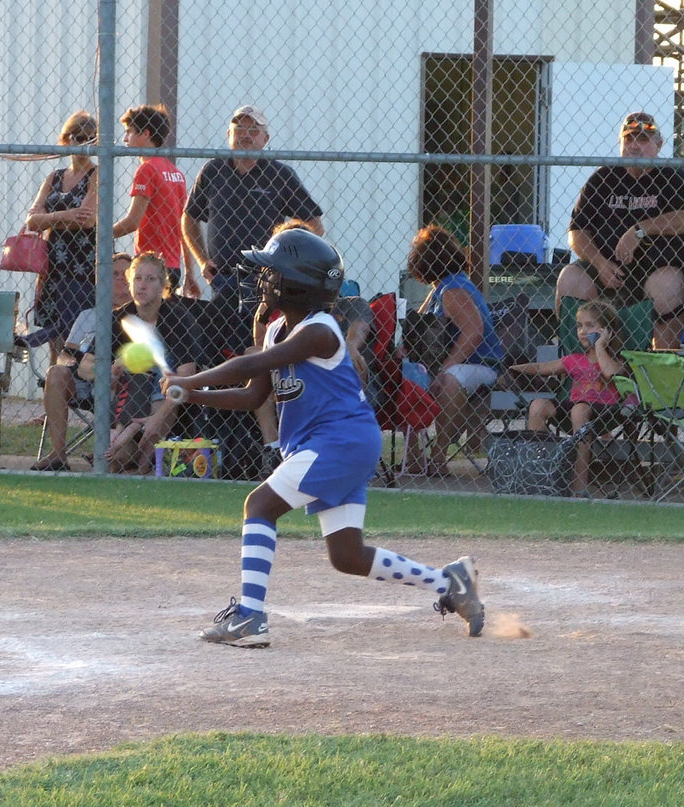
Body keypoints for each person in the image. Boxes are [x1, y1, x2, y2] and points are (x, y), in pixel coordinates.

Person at [158, 228, 485, 646]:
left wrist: (193, 379)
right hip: (339, 444)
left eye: (272, 274)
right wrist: (195, 395)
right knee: (347, 556)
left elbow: (250, 363)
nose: (262, 281)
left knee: (259, 504)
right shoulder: (279, 330)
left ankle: (250, 617)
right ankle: (450, 583)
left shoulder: (320, 330)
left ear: (295, 285)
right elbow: (253, 394)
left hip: (338, 441)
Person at [182, 104, 325, 352]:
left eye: (253, 129)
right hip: (223, 278)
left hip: (266, 281)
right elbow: (189, 218)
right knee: (220, 348)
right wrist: (202, 261)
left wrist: (286, 262)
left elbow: (315, 225)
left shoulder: (279, 174)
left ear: (265, 139)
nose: (245, 134)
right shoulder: (213, 170)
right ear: (228, 135)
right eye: (239, 128)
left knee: (259, 347)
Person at [554, 111, 684, 349]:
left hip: (657, 268)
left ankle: (658, 367)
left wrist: (640, 230)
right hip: (607, 269)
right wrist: (600, 263)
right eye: (629, 139)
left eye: (643, 140)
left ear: (659, 144)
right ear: (620, 143)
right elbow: (577, 231)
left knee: (666, 286)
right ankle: (582, 367)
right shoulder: (603, 177)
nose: (635, 146)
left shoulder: (673, 176)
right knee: (571, 278)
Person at [403, 224, 505, 476]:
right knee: (402, 376)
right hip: (454, 363)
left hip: (483, 364)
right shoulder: (441, 288)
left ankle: (438, 456)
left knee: (451, 379)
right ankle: (414, 457)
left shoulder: (454, 290)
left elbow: (473, 332)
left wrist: (444, 368)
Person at [508, 300, 629, 498]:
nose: (582, 331)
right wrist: (511, 369)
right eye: (580, 326)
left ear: (607, 330)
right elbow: (541, 368)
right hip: (574, 408)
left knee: (579, 409)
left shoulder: (619, 358)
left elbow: (610, 373)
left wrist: (600, 346)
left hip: (605, 411)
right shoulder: (574, 359)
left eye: (590, 325)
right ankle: (543, 472)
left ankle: (579, 486)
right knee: (538, 406)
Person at [29, 253, 134, 472]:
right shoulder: (88, 316)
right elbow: (66, 354)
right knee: (56, 373)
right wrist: (73, 365)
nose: (121, 278)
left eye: (126, 273)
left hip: (126, 381)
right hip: (87, 378)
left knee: (124, 378)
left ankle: (113, 453)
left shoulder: (141, 314)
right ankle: (58, 455)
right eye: (114, 274)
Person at [103, 252, 200, 474]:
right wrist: (113, 370)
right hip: (124, 399)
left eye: (151, 279)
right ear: (130, 282)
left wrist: (158, 417)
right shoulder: (120, 318)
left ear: (163, 285)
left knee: (167, 373)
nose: (142, 285)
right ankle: (122, 441)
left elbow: (186, 374)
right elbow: (87, 367)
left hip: (163, 400)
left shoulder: (177, 318)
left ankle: (146, 461)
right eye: (137, 278)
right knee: (116, 459)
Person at [25, 111, 98, 364]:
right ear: (67, 140)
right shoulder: (54, 177)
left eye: (92, 139)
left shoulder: (97, 175)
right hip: (52, 268)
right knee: (53, 341)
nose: (85, 145)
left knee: (76, 338)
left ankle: (76, 391)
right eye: (79, 138)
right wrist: (69, 214)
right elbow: (32, 221)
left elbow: (87, 220)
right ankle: (55, 393)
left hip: (83, 269)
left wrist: (51, 217)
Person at [112, 104, 191, 296]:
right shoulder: (176, 173)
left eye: (129, 132)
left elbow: (132, 222)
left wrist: (99, 234)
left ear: (146, 134)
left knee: (145, 321)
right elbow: (186, 228)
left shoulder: (147, 169)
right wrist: (189, 272)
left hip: (150, 265)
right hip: (172, 265)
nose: (125, 139)